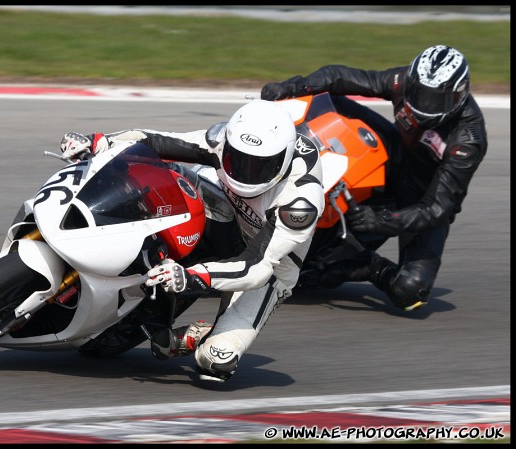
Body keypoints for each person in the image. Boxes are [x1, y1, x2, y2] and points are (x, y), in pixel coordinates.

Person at [59, 99, 325, 382]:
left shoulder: (300, 203)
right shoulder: (223, 139)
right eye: (239, 160)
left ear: (282, 160)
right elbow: (159, 142)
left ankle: (199, 335)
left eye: (260, 166)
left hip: (268, 260)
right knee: (159, 185)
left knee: (215, 362)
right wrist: (100, 141)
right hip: (222, 210)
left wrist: (192, 278)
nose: (246, 172)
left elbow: (256, 267)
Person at [261, 45, 488, 312]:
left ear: (459, 95)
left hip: (424, 199)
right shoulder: (405, 80)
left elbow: (438, 209)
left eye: (435, 100)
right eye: (419, 94)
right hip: (396, 154)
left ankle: (372, 268)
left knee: (410, 289)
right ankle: (275, 162)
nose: (423, 105)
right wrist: (291, 88)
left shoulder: (467, 140)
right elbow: (340, 76)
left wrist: (383, 221)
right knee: (333, 101)